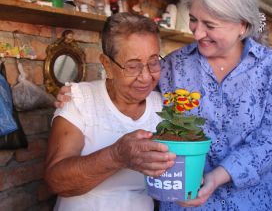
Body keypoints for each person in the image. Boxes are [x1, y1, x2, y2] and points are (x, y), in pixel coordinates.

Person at [56, 0, 272, 211]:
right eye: (193, 20)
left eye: (210, 25)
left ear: (243, 26)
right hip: (184, 203)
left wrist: (217, 177)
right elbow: (133, 89)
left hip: (253, 202)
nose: (197, 33)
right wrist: (83, 95)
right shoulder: (173, 65)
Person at [44, 13, 176, 211]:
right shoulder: (79, 99)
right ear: (107, 65)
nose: (146, 76)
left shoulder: (163, 107)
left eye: (154, 61)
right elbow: (56, 182)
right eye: (133, 65)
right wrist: (117, 156)